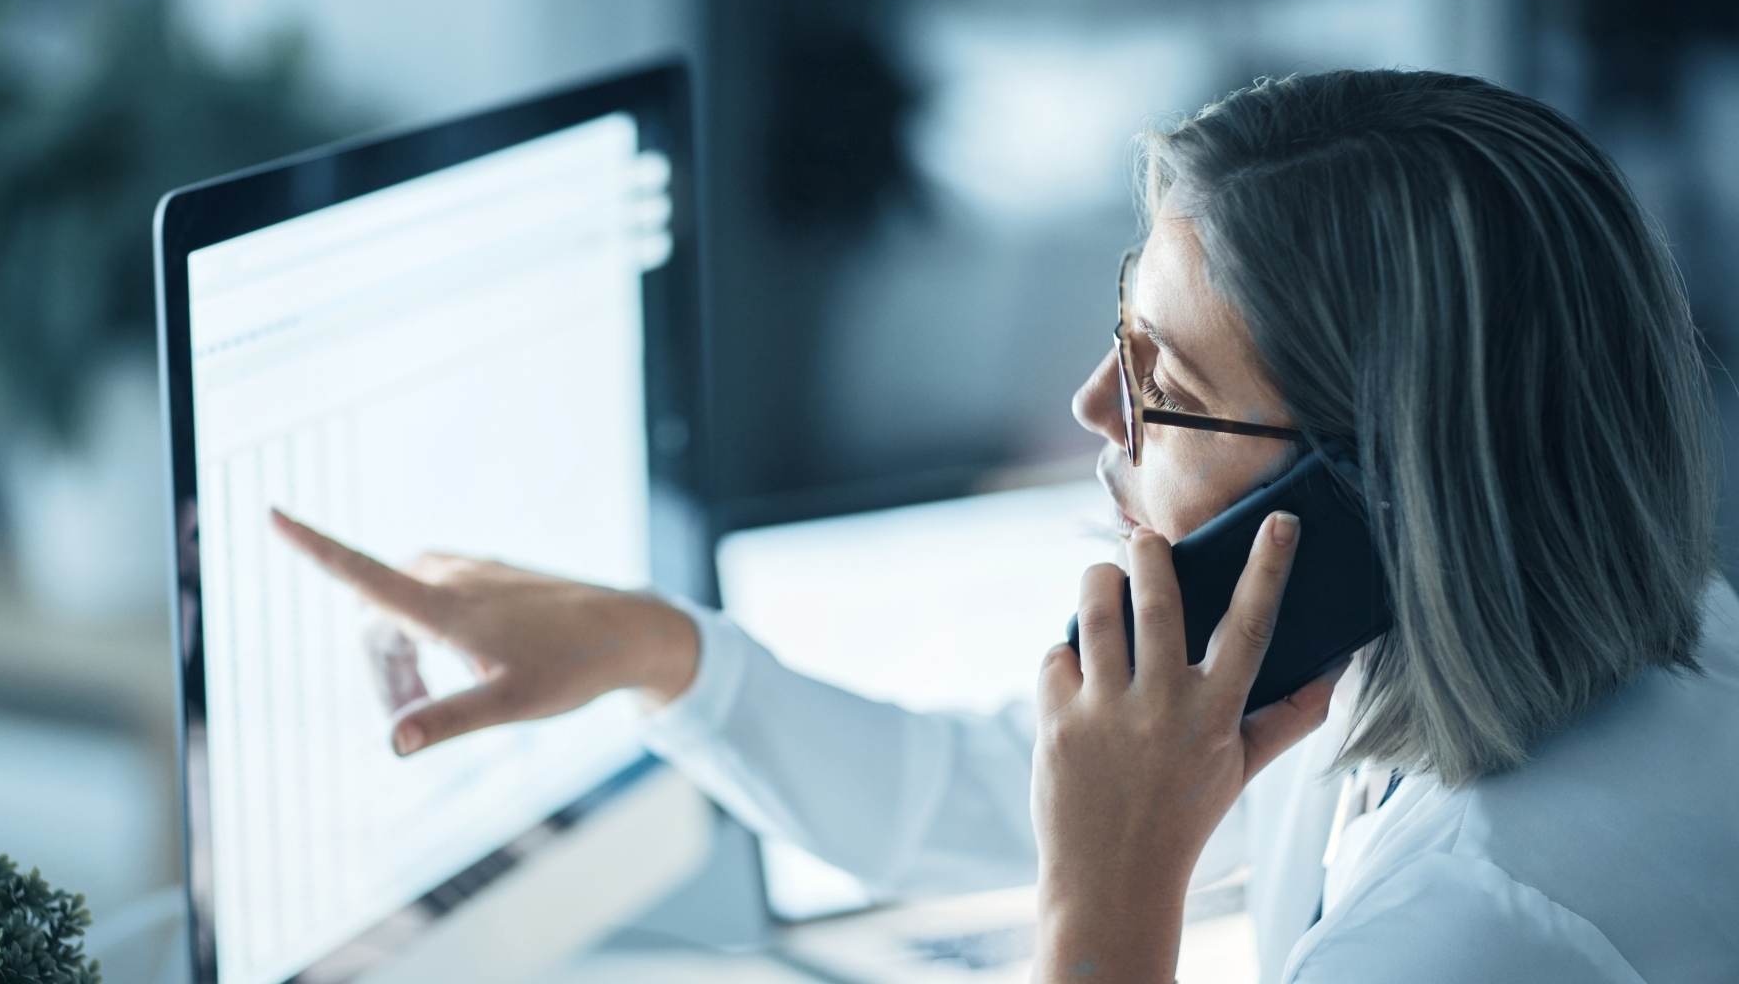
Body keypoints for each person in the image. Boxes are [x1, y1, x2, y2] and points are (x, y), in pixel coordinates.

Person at [272, 70, 1739, 983]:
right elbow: (982, 794)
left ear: (1370, 495)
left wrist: (1112, 908)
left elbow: (1074, 843)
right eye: (1120, 333)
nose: (1093, 404)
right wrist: (656, 653)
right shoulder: (1486, 660)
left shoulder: (1483, 937)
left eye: (1162, 384)